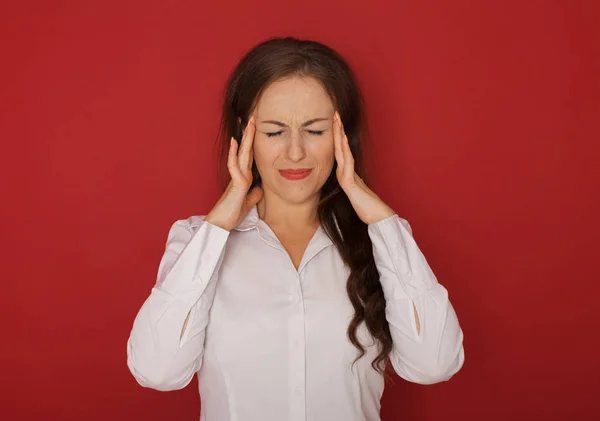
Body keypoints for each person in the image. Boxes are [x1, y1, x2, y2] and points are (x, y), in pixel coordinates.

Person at [126, 36, 465, 421]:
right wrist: (218, 224)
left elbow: (434, 363)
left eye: (315, 131)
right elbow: (157, 371)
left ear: (342, 135)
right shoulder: (196, 242)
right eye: (274, 132)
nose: (295, 152)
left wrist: (382, 221)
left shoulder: (382, 242)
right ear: (245, 135)